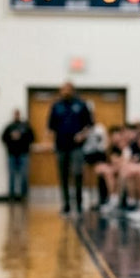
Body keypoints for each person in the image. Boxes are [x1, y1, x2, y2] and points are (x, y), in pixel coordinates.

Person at [47, 81, 94, 215]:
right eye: (63, 89)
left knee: (77, 173)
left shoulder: (81, 104)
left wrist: (82, 134)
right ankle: (66, 204)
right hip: (61, 145)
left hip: (76, 146)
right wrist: (50, 141)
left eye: (68, 89)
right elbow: (51, 127)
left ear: (73, 90)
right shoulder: (56, 106)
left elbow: (89, 125)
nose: (65, 91)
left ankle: (78, 204)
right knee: (63, 176)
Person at [0, 109, 34, 201]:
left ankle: (24, 195)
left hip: (23, 154)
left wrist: (21, 137)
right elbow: (3, 138)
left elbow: (32, 138)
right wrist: (11, 138)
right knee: (12, 175)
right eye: (15, 114)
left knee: (24, 175)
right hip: (12, 154)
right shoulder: (9, 127)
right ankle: (12, 195)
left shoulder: (25, 126)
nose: (16, 116)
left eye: (18, 114)